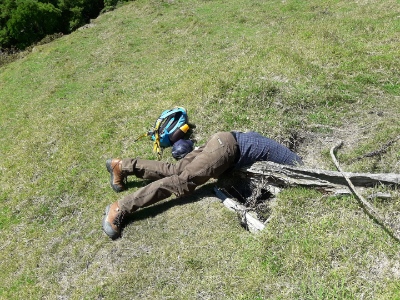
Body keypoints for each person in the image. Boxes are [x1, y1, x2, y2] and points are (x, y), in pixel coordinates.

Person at [102, 131, 303, 239]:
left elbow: (253, 138)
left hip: (223, 139)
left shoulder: (288, 156)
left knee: (175, 170)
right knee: (181, 182)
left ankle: (122, 166)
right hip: (227, 151)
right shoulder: (299, 170)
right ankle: (120, 207)